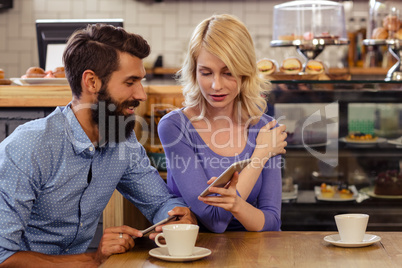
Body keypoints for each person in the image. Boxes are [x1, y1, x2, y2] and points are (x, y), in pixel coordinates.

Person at [0, 24, 195, 267]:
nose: (142, 94)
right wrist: (93, 260)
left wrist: (176, 215)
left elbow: (159, 202)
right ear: (91, 82)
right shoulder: (29, 147)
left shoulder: (122, 140)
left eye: (140, 81)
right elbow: (3, 256)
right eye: (130, 82)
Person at [158, 14, 287, 233]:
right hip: (193, 254)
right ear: (193, 72)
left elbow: (272, 222)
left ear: (245, 73)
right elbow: (214, 221)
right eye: (206, 73)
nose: (216, 85)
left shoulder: (266, 128)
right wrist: (260, 155)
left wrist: (234, 204)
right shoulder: (175, 127)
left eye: (228, 73)